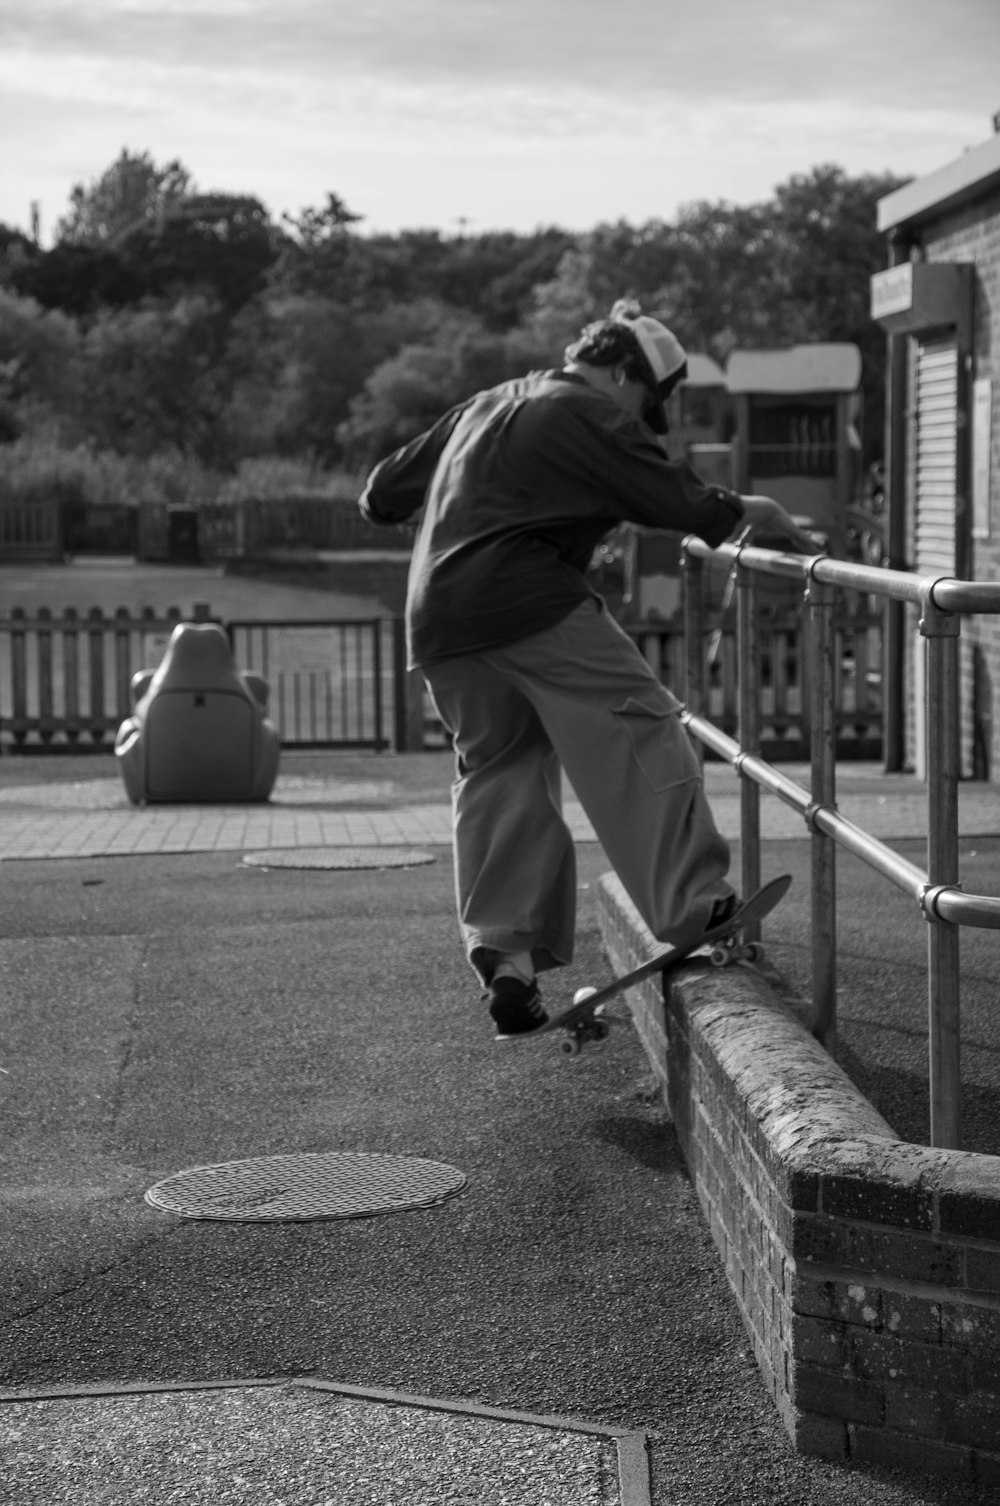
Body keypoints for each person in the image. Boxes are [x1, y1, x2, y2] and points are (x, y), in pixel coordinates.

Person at [359, 300, 819, 1039]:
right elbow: (670, 496)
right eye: (647, 403)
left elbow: (381, 495)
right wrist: (744, 509)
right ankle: (696, 906)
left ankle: (505, 961)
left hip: (439, 619)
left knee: (500, 769)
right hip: (530, 600)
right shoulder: (590, 412)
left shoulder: (484, 405)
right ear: (619, 370)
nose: (644, 421)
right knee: (641, 724)